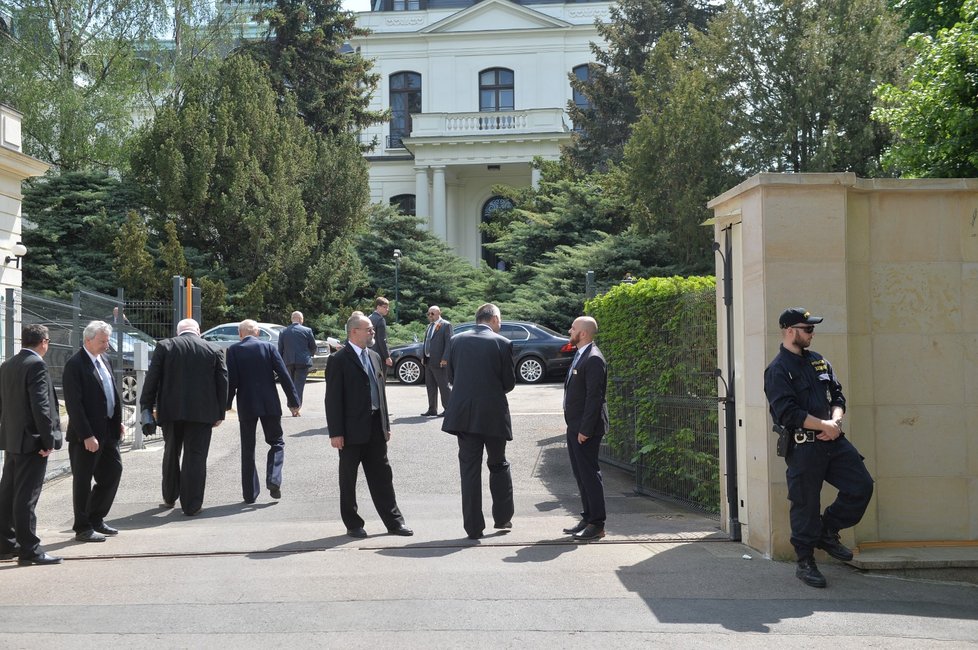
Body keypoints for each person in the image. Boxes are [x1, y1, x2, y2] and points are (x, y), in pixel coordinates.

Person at [764, 307, 874, 588]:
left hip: (833, 441)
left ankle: (828, 530)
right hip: (804, 447)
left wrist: (834, 422)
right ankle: (805, 562)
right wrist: (822, 425)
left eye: (813, 329)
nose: (812, 333)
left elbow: (837, 395)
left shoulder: (819, 362)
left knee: (861, 486)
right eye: (808, 328)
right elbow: (786, 412)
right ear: (790, 331)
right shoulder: (778, 370)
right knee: (805, 504)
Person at [325, 313, 413, 538]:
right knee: (349, 478)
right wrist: (335, 432)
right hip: (350, 430)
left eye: (372, 329)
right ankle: (353, 524)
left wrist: (385, 424)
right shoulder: (339, 360)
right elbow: (333, 399)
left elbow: (380, 394)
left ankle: (394, 523)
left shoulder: (374, 356)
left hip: (375, 427)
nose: (373, 332)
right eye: (369, 329)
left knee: (382, 476)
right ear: (354, 332)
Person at [441, 303, 515, 540]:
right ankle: (503, 518)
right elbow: (509, 383)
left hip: (463, 415)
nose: (500, 325)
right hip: (493, 413)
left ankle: (473, 528)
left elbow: (451, 376)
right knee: (498, 464)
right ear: (493, 319)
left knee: (469, 470)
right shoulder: (502, 343)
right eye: (500, 320)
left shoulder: (456, 340)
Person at [140, 318, 228, 516]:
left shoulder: (165, 347)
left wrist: (146, 406)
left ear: (179, 331)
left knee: (171, 452)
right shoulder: (213, 349)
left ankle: (170, 496)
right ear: (198, 331)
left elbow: (152, 379)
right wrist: (220, 412)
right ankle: (191, 505)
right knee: (195, 456)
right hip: (202, 413)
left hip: (171, 412)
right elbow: (222, 382)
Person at [0, 325, 62, 565]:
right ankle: (30, 550)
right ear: (44, 342)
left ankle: (6, 543)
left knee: (8, 493)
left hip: (13, 439)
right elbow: (41, 406)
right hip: (32, 442)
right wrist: (47, 440)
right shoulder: (36, 365)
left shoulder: (7, 365)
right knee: (26, 496)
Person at [62, 320, 124, 543]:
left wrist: (117, 422)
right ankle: (82, 527)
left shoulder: (103, 359)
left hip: (108, 431)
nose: (106, 345)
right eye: (102, 341)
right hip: (86, 436)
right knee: (83, 480)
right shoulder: (75, 365)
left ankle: (96, 517)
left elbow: (111, 394)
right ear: (87, 340)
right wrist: (86, 435)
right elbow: (74, 405)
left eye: (107, 341)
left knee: (113, 472)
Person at [226, 319, 300, 503]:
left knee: (248, 448)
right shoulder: (268, 348)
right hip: (270, 403)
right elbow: (283, 375)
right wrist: (293, 401)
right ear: (257, 333)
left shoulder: (234, 350)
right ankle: (274, 479)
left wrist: (226, 405)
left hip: (247, 403)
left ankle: (250, 494)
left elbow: (231, 381)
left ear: (240, 334)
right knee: (276, 442)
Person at [562, 316, 609, 542]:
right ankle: (588, 517)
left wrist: (585, 429)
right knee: (581, 474)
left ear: (583, 333)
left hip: (584, 428)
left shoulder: (593, 359)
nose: (570, 330)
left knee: (590, 475)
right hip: (575, 425)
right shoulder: (580, 355)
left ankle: (597, 524)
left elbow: (594, 398)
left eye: (573, 328)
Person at [277, 311, 316, 409]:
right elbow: (313, 346)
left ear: (292, 319)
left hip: (288, 361)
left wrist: (280, 362)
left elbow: (280, 349)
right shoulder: (307, 330)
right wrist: (309, 355)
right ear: (300, 319)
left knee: (290, 384)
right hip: (303, 361)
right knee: (299, 384)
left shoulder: (283, 331)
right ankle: (296, 406)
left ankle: (291, 405)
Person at [421, 305, 452, 417]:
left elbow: (449, 343)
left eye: (432, 314)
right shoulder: (429, 326)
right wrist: (424, 356)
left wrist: (445, 358)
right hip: (428, 360)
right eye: (428, 314)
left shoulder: (445, 325)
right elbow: (427, 342)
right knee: (430, 386)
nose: (430, 316)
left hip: (439, 361)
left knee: (443, 386)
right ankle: (432, 409)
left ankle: (449, 409)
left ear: (439, 313)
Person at [369, 297, 393, 368]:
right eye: (385, 307)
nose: (387, 309)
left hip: (370, 352)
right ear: (378, 307)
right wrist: (387, 357)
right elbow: (382, 340)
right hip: (379, 355)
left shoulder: (369, 317)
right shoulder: (380, 320)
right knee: (381, 377)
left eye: (388, 307)